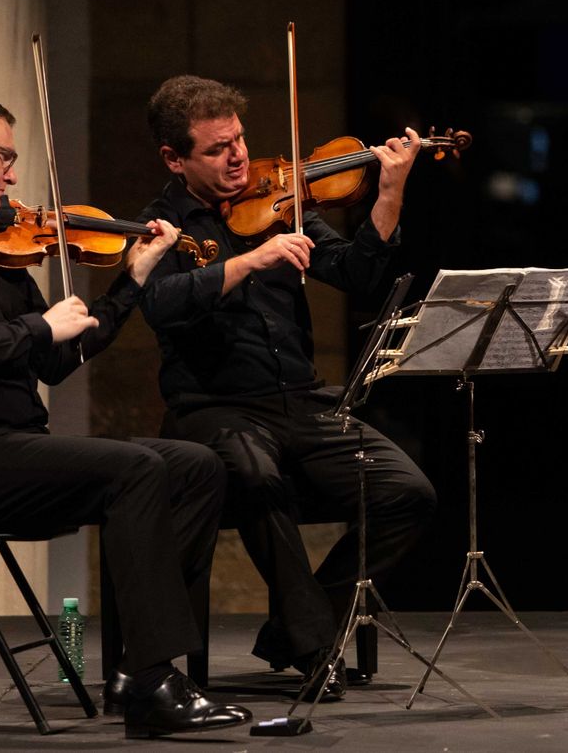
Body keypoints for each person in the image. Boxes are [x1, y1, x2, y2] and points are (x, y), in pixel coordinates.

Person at [0, 87, 248, 739]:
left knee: (195, 465)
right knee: (135, 470)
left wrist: (131, 281)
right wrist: (40, 326)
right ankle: (153, 686)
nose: (12, 175)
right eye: (4, 156)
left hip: (12, 448)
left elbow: (58, 359)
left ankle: (135, 668)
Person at [135, 75, 437, 695]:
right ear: (174, 158)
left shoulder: (280, 202)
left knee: (409, 493)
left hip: (301, 403)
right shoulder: (160, 225)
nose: (239, 158)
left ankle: (296, 624)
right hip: (214, 409)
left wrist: (389, 192)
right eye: (217, 149)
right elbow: (162, 304)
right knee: (257, 477)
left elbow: (358, 273)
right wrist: (249, 260)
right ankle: (314, 646)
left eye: (240, 140)